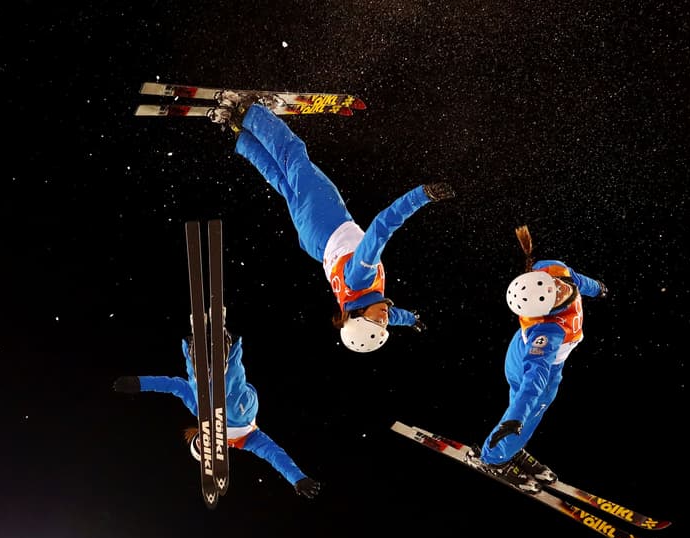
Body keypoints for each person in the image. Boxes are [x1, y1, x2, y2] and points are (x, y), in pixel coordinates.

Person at [212, 92, 453, 353]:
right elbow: (391, 316)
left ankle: (250, 112)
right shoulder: (362, 303)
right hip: (315, 242)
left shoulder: (361, 277)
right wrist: (411, 319)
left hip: (325, 220)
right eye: (383, 325)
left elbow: (382, 227)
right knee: (284, 180)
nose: (384, 319)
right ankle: (241, 136)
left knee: (295, 157)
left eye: (377, 321)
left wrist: (422, 196)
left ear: (359, 314)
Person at [468, 225, 608, 492]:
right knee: (530, 407)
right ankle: (493, 458)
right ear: (546, 309)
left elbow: (575, 279)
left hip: (520, 353)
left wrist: (597, 288)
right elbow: (536, 376)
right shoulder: (548, 331)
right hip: (533, 365)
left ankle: (510, 446)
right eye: (556, 295)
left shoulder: (553, 271)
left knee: (521, 406)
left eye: (557, 286)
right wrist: (516, 419)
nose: (562, 290)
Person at [113, 330, 322, 498]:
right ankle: (229, 350)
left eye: (200, 442)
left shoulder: (199, 410)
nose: (207, 441)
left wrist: (140, 383)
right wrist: (297, 478)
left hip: (212, 390)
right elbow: (274, 455)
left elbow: (174, 386)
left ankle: (194, 351)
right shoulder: (245, 441)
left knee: (196, 393)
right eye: (208, 447)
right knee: (227, 401)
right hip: (242, 408)